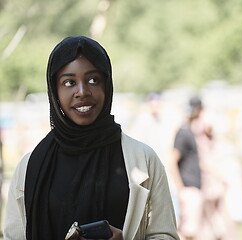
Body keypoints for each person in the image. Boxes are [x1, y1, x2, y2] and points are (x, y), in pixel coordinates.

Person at [3, 36, 179, 240]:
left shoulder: (143, 160)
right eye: (69, 82)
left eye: (93, 80)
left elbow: (166, 235)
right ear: (55, 91)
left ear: (107, 85)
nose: (82, 92)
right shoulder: (30, 167)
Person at [169, 96, 203, 240]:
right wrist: (181, 189)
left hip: (191, 187)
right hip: (187, 188)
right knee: (186, 232)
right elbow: (172, 161)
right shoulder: (183, 133)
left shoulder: (188, 131)